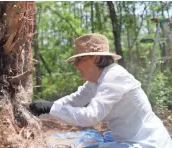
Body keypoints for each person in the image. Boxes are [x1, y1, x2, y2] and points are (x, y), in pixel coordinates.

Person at [29, 33, 172, 148]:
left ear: (96, 58)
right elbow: (73, 100)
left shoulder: (115, 76)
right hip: (125, 139)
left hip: (147, 142)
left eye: (79, 60)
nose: (76, 65)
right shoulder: (96, 79)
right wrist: (40, 112)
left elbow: (91, 116)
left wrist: (51, 107)